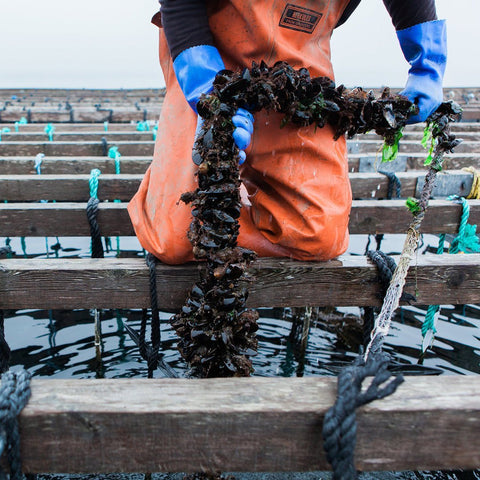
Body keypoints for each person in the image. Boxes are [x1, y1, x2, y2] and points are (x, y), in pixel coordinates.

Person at [128, 0, 447, 264]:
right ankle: (169, 183)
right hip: (205, 46)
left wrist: (427, 63)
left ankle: (237, 191)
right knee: (178, 239)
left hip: (299, 66)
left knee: (318, 236)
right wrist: (207, 91)